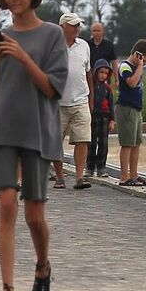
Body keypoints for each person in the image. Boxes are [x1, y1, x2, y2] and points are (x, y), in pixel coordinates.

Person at [0, 0, 66, 291]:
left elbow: (51, 88)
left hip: (37, 130)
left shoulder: (52, 36)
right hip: (2, 128)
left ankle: (43, 265)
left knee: (34, 215)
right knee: (5, 205)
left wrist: (23, 57)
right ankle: (7, 290)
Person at [51, 13, 94, 189]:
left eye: (78, 25)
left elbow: (88, 72)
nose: (77, 28)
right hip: (57, 103)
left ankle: (79, 177)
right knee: (54, 142)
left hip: (80, 100)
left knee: (82, 139)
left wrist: (91, 99)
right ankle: (60, 177)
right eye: (73, 25)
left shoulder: (84, 46)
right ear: (63, 27)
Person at [117, 39, 146, 187]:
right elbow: (131, 82)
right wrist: (139, 66)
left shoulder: (137, 67)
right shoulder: (125, 66)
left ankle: (134, 174)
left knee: (136, 143)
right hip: (126, 109)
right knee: (127, 144)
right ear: (139, 55)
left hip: (136, 109)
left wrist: (140, 66)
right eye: (145, 60)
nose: (145, 64)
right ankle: (124, 177)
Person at [88, 41, 116, 179]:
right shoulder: (91, 87)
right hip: (93, 116)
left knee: (103, 144)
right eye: (101, 72)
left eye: (106, 73)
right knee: (91, 143)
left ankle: (101, 168)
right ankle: (90, 167)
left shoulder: (107, 89)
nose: (103, 75)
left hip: (105, 117)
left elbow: (111, 105)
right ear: (96, 72)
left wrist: (112, 120)